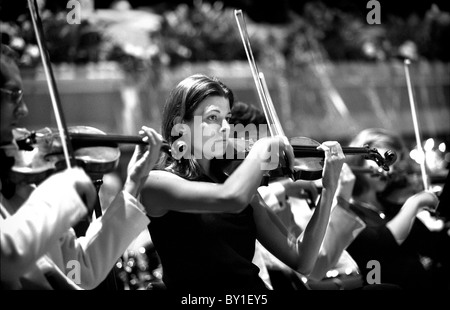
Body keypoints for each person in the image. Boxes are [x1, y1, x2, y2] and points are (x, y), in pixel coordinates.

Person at [140, 73, 346, 290]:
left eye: (227, 119)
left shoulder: (237, 184)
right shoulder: (156, 183)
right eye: (212, 118)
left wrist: (329, 189)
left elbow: (302, 260)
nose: (225, 128)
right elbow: (231, 198)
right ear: (180, 126)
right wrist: (261, 148)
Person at [0, 43, 163, 290]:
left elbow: (80, 270)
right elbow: (8, 256)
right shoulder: (43, 196)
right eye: (13, 95)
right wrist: (59, 193)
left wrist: (133, 182)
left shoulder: (21, 184)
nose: (23, 110)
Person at [229, 101, 366, 290]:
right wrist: (338, 198)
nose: (273, 157)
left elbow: (310, 262)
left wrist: (330, 188)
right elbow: (318, 264)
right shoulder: (268, 196)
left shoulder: (271, 199)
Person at [335, 127, 449, 289]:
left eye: (392, 161)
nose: (390, 168)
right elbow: (380, 243)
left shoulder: (391, 206)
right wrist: (416, 203)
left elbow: (436, 246)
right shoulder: (347, 211)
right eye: (380, 159)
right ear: (359, 160)